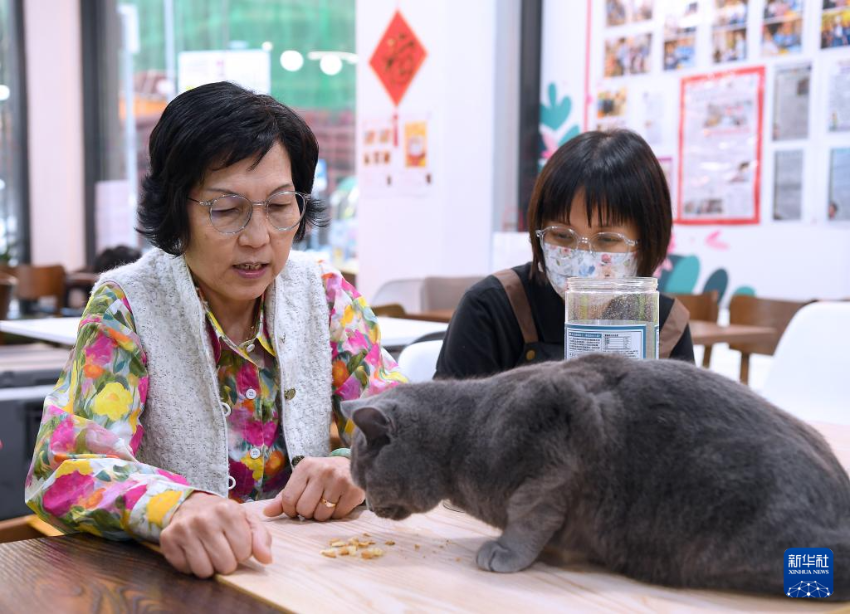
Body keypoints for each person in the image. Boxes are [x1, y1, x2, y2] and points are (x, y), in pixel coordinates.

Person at [25, 82, 406, 578]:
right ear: (176, 209)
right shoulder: (128, 306)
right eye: (226, 210)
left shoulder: (327, 297)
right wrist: (174, 506)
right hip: (181, 584)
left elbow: (407, 429)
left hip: (313, 578)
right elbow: (61, 470)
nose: (257, 238)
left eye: (279, 206)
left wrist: (356, 466)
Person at [436, 130, 694, 379]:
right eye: (562, 235)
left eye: (607, 239)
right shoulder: (491, 309)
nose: (583, 261)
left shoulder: (666, 325)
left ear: (648, 242)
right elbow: (448, 419)